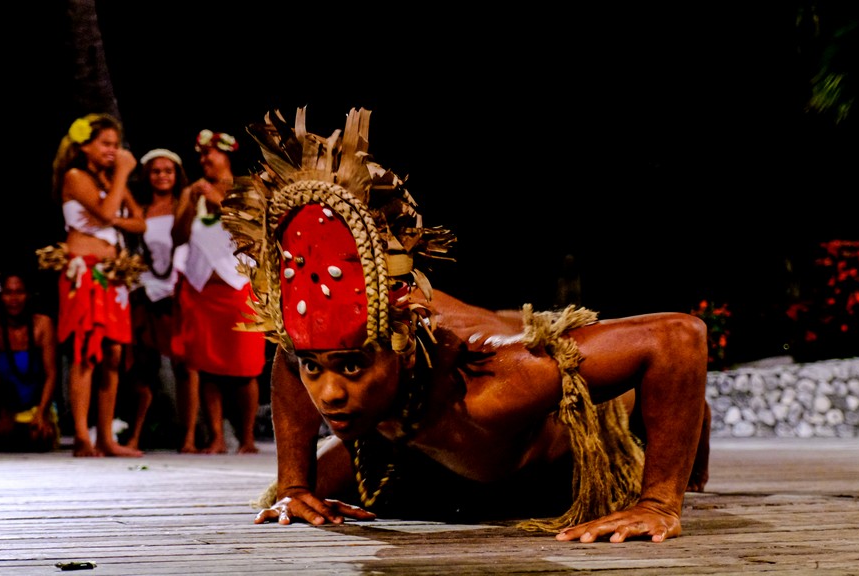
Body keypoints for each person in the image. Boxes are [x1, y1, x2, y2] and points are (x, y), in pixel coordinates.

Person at [234, 107, 712, 543]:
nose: (329, 394)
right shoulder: (333, 332)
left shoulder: (499, 383)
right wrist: (294, 485)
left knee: (623, 400)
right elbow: (292, 354)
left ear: (402, 349)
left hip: (540, 438)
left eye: (352, 367)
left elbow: (679, 338)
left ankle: (694, 424)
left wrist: (658, 503)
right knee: (302, 485)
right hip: (411, 439)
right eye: (316, 368)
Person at [37, 113, 146, 457]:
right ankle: (83, 436)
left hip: (113, 273)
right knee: (86, 351)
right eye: (106, 144)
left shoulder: (107, 180)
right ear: (84, 146)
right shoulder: (74, 176)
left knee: (112, 354)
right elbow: (106, 213)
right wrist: (123, 176)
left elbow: (140, 223)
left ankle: (106, 438)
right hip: (83, 273)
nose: (114, 151)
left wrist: (114, 206)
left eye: (116, 145)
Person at [170, 129, 265, 454]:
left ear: (226, 155)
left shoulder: (247, 188)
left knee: (246, 367)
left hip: (237, 287)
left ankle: (248, 437)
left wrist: (220, 202)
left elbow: (253, 232)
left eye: (208, 153)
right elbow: (178, 237)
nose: (203, 160)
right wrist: (192, 202)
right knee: (206, 367)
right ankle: (216, 437)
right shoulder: (191, 192)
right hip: (201, 292)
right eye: (200, 155)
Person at [120, 148, 193, 451]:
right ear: (146, 175)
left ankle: (189, 436)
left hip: (176, 293)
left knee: (186, 366)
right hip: (143, 292)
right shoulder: (137, 211)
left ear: (177, 176)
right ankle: (135, 435)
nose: (162, 176)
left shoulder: (185, 206)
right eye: (156, 171)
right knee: (141, 368)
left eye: (168, 171)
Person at [0, 269, 60, 451]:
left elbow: (51, 374)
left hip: (36, 405)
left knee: (40, 437)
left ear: (28, 294)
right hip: (2, 406)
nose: (14, 299)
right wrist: (0, 412)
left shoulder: (43, 324)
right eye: (8, 293)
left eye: (19, 292)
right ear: (0, 295)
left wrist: (41, 414)